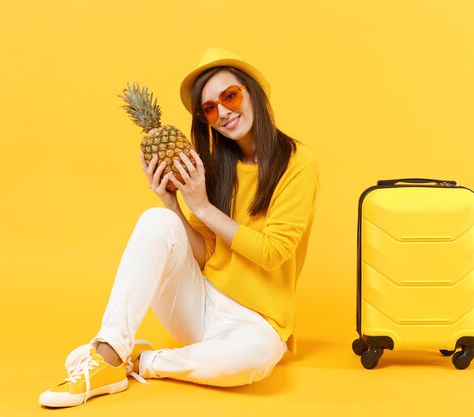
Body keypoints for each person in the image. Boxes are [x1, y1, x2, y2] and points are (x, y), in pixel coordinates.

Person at [39, 47, 318, 408]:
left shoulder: (298, 163)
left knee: (251, 362)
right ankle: (108, 354)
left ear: (253, 92)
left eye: (230, 96)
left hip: (259, 322)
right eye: (210, 108)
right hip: (199, 304)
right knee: (157, 219)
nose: (224, 112)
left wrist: (200, 205)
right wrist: (173, 206)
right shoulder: (216, 167)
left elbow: (273, 253)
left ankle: (141, 362)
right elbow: (205, 256)